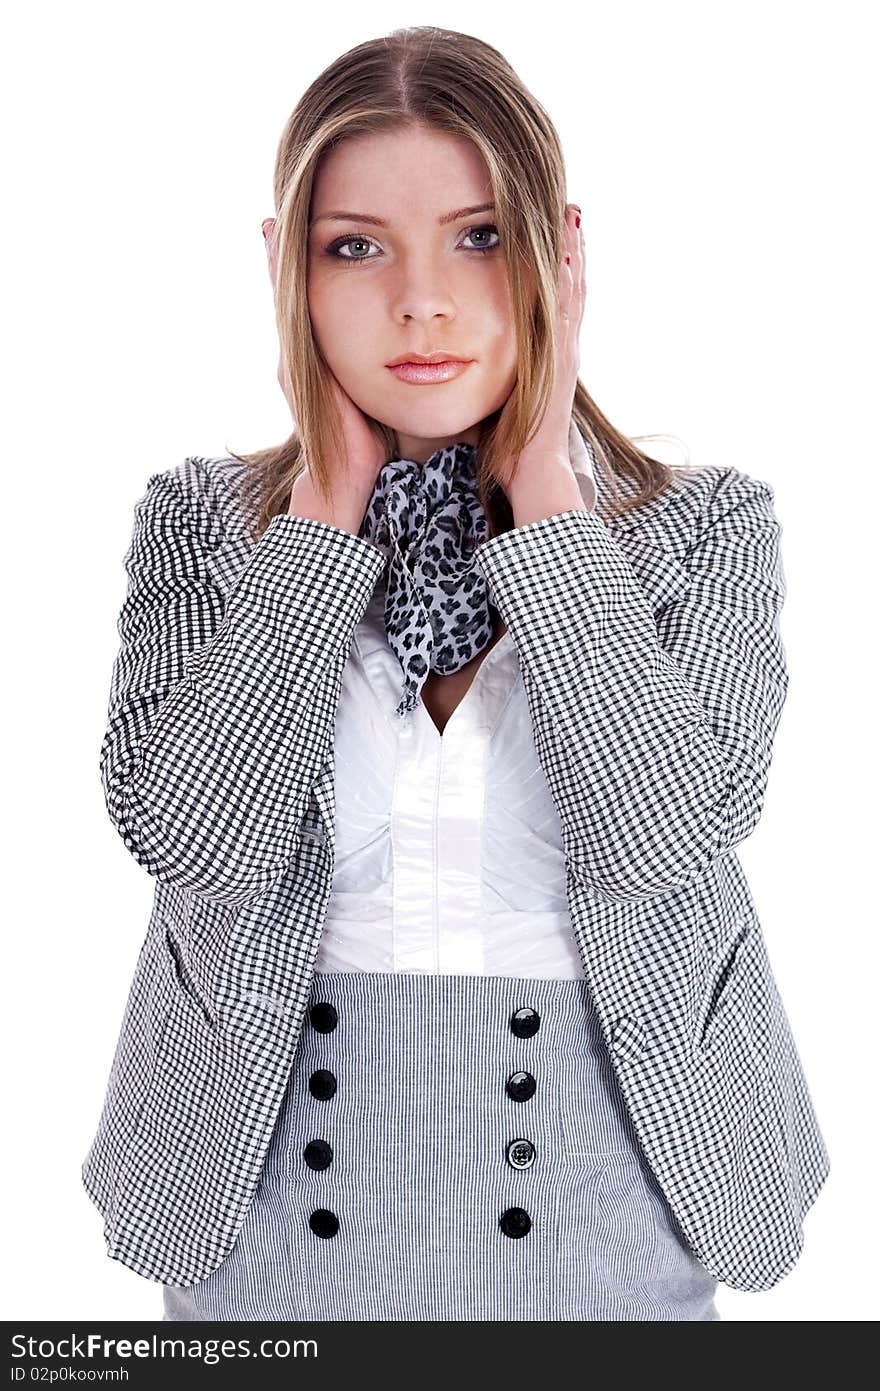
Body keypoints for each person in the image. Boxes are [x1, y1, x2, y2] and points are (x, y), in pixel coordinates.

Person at [81, 25, 830, 1322]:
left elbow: (662, 840)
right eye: (354, 246)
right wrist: (323, 511)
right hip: (262, 1249)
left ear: (561, 252)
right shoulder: (208, 527)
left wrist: (544, 497)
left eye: (479, 237)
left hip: (617, 1239)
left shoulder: (703, 532)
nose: (420, 299)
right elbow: (197, 844)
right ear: (286, 270)